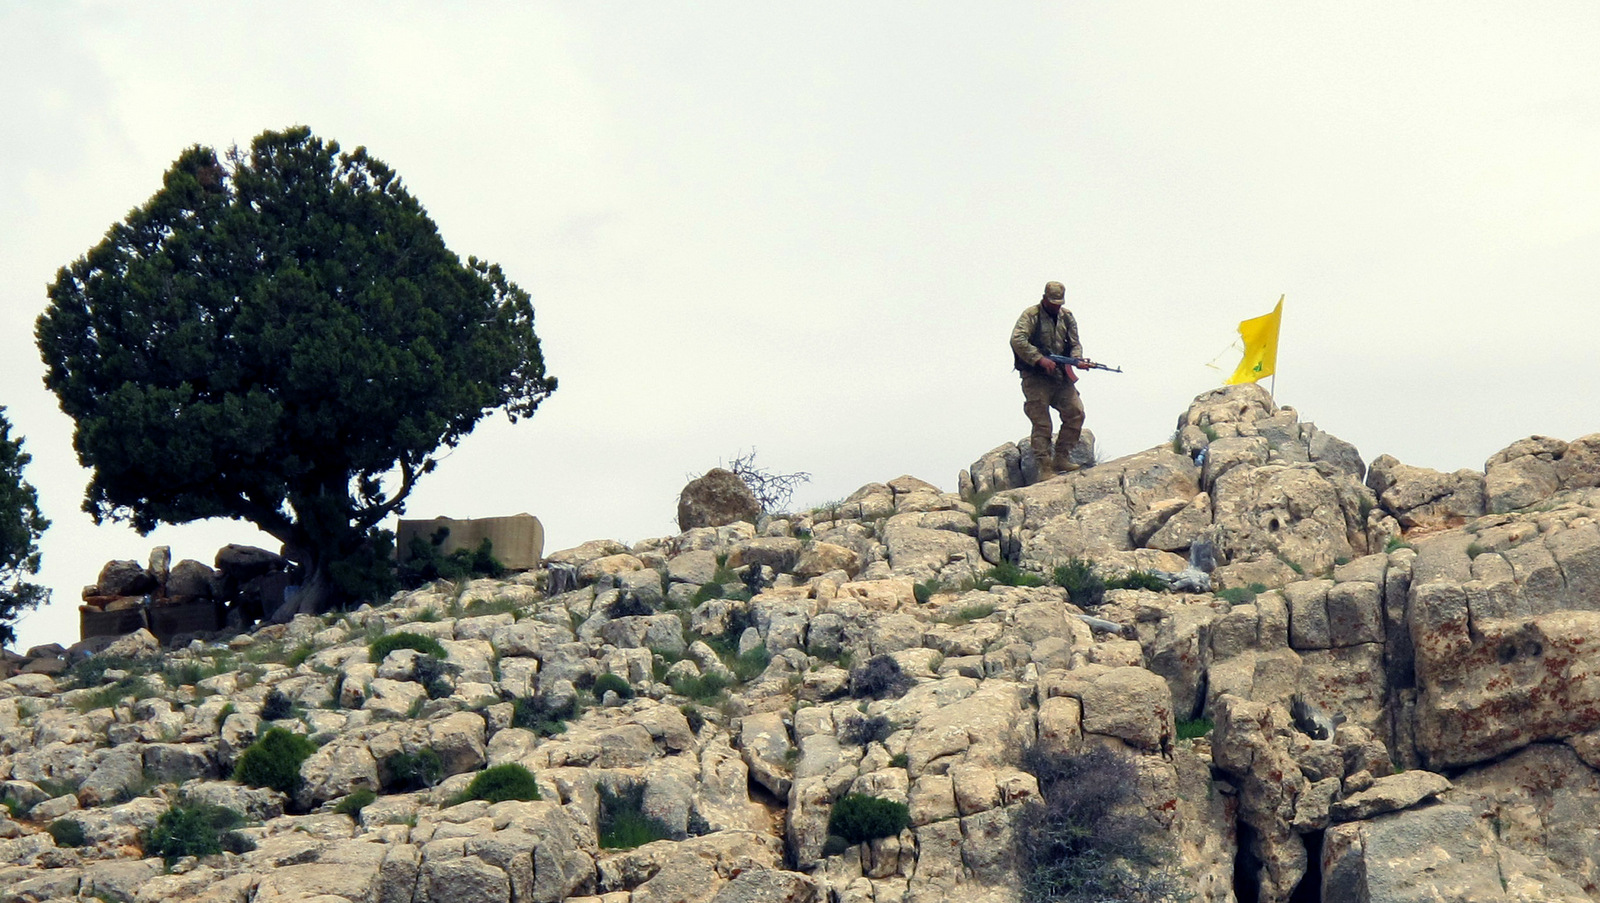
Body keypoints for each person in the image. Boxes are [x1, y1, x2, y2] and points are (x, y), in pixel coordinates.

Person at [1010, 280, 1090, 479]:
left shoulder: (1067, 317)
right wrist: (1039, 359)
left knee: (1076, 412)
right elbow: (1017, 339)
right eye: (1052, 301)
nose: (1056, 306)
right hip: (1036, 378)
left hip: (1060, 376)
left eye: (1059, 302)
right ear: (1044, 298)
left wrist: (1077, 359)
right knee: (1042, 423)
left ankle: (1061, 457)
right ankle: (1044, 467)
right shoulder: (1031, 315)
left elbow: (1075, 343)